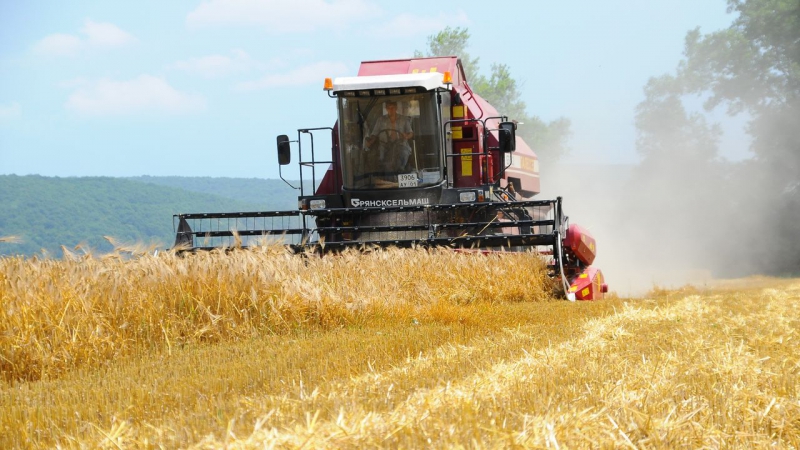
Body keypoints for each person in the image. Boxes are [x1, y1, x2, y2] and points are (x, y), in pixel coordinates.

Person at [366, 100, 413, 172]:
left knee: (403, 153)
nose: (391, 110)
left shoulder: (404, 119)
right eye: (389, 108)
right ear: (386, 109)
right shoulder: (380, 120)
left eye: (393, 107)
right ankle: (381, 174)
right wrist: (371, 141)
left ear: (396, 108)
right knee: (379, 157)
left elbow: (410, 133)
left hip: (400, 144)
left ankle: (401, 172)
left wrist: (406, 136)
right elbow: (374, 134)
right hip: (384, 145)